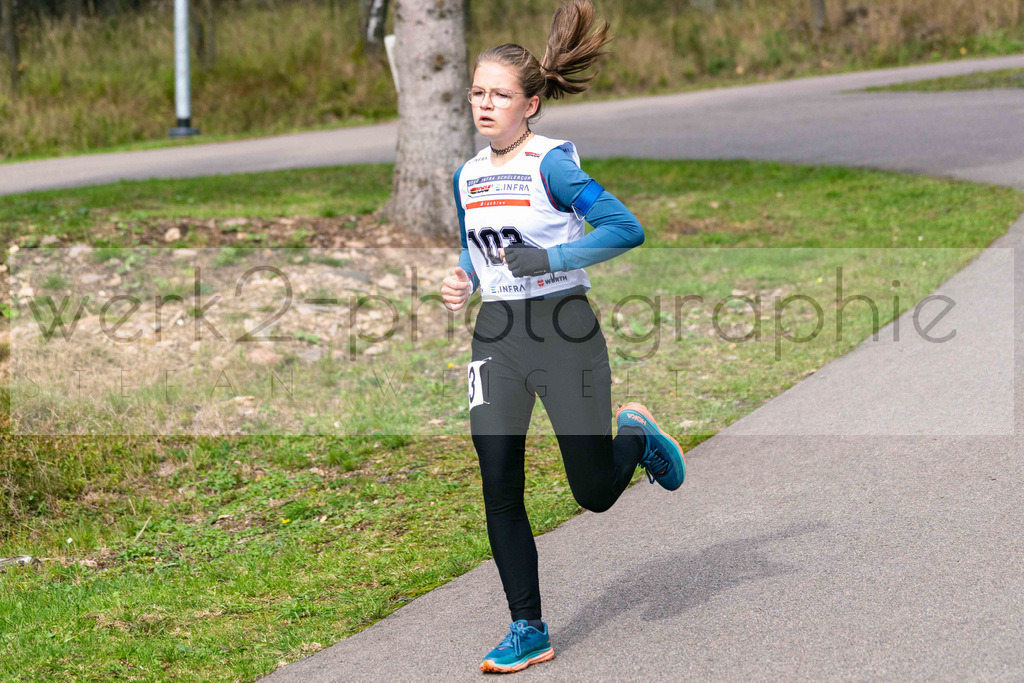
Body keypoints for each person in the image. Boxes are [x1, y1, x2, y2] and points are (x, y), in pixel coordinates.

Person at [439, 0, 686, 673]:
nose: (485, 106)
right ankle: (528, 626)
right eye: (477, 94)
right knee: (498, 480)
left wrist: (552, 259)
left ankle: (635, 436)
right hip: (497, 335)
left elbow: (625, 228)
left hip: (563, 331)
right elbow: (475, 246)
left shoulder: (552, 166)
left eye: (500, 96)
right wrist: (462, 277)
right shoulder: (466, 175)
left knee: (592, 493)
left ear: (532, 104)